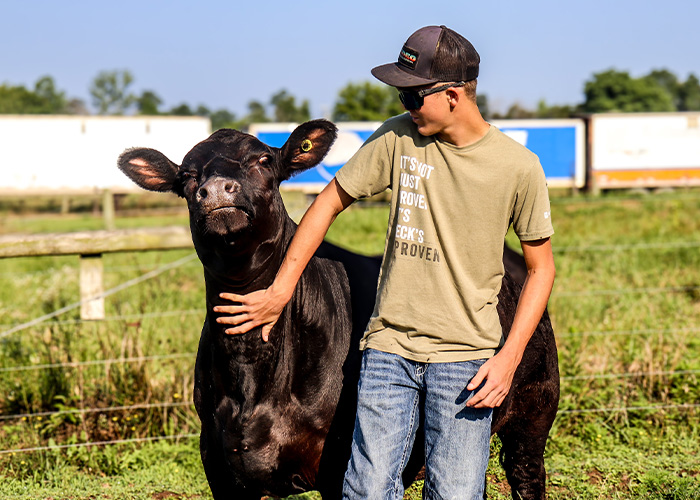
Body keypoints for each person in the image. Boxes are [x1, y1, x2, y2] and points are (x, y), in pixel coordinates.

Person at [214, 25, 556, 500]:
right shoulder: (397, 139)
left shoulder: (519, 168)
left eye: (413, 96)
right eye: (400, 95)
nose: (404, 107)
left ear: (454, 95)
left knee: (455, 493)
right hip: (387, 353)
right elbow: (330, 199)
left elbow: (541, 269)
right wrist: (280, 290)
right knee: (367, 491)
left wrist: (508, 359)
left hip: (465, 359)